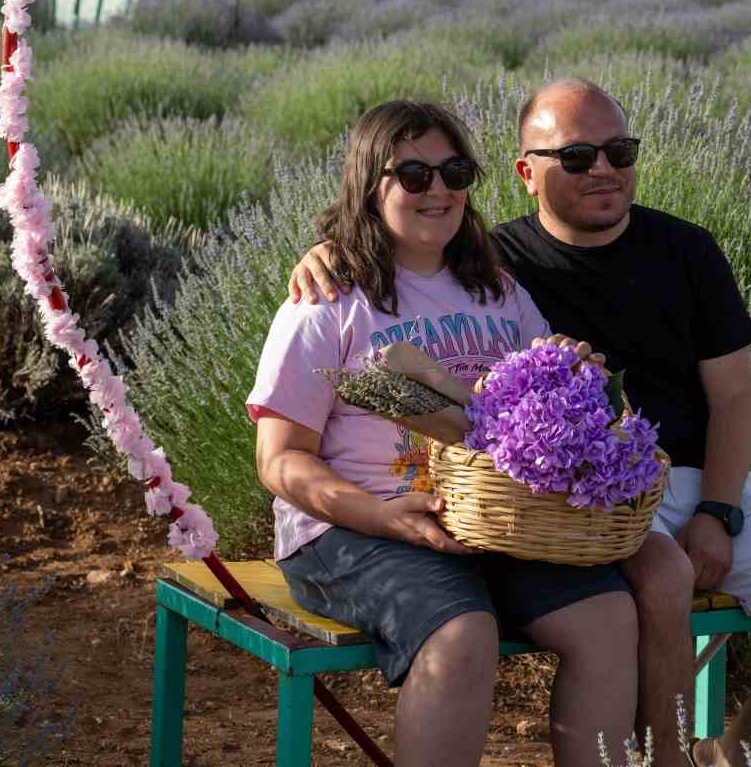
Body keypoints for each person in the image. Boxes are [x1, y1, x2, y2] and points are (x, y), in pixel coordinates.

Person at [289, 80, 751, 767]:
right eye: (575, 157)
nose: (602, 169)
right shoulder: (491, 268)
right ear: (526, 174)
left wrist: (719, 511)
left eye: (619, 151)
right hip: (589, 497)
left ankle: (730, 755)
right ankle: (665, 759)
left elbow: (735, 398)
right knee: (659, 578)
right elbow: (396, 256)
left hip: (704, 483)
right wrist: (329, 252)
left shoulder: (687, 250)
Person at [251, 99, 638, 767]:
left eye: (454, 172)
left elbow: (541, 397)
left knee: (606, 619)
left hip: (494, 523)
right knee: (462, 634)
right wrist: (380, 517)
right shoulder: (330, 301)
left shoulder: (497, 289)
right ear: (373, 186)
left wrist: (575, 379)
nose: (439, 191)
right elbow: (279, 461)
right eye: (415, 175)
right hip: (352, 532)